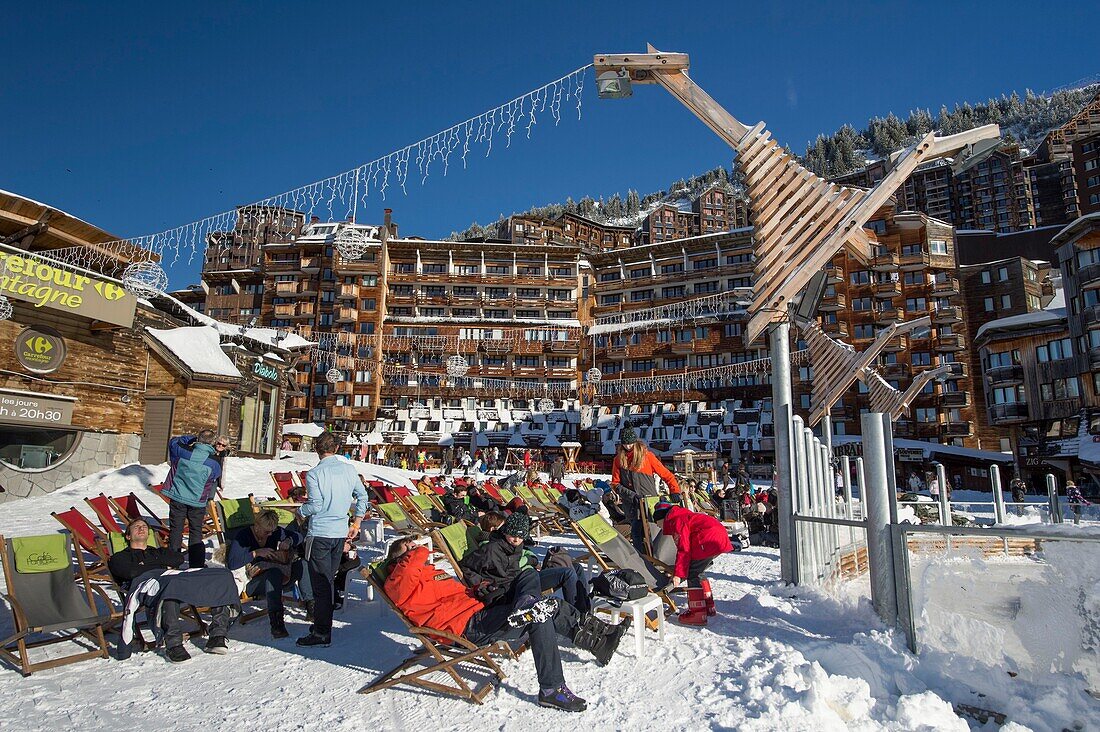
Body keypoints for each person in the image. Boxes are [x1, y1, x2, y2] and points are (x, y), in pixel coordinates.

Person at [386, 537, 625, 712]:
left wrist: (477, 590)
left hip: (480, 611)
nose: (415, 548)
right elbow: (408, 570)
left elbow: (454, 594)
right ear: (399, 559)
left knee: (529, 577)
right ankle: (551, 689)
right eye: (408, 548)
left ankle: (600, 638)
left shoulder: (425, 573)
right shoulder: (398, 581)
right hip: (467, 627)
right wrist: (414, 550)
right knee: (540, 614)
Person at [109, 518, 237, 662]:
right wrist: (159, 563)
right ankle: (173, 644)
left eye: (144, 526)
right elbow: (130, 573)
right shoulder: (120, 557)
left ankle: (218, 635)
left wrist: (149, 562)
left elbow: (178, 559)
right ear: (128, 536)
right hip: (148, 585)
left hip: (173, 579)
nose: (141, 528)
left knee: (223, 575)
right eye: (136, 527)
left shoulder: (158, 551)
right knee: (170, 586)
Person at [296, 431, 369, 648]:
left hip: (320, 532)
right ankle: (322, 623)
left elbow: (316, 505)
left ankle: (321, 632)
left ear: (317, 450)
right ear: (336, 448)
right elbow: (363, 496)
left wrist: (301, 509)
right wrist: (356, 522)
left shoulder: (314, 474)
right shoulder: (348, 469)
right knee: (327, 579)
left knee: (321, 583)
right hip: (339, 532)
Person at [226, 509, 307, 639]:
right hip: (252, 582)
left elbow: (299, 536)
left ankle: (311, 605)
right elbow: (232, 563)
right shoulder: (243, 536)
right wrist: (255, 553)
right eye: (266, 532)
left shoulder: (274, 532)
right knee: (274, 573)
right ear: (257, 526)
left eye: (272, 532)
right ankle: (276, 623)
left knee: (302, 564)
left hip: (275, 579)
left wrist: (288, 541)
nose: (269, 535)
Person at [651, 502, 733, 626]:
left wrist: (678, 574)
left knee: (693, 573)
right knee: (699, 570)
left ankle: (698, 613)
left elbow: (684, 550)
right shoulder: (682, 515)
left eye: (658, 524)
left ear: (662, 518)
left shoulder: (676, 521)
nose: (660, 528)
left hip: (707, 540)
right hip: (717, 538)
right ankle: (708, 605)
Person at [610, 428, 679, 553]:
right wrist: (632, 495)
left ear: (635, 442)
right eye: (625, 443)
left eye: (630, 443)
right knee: (637, 533)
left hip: (650, 503)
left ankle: (660, 557)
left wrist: (674, 490)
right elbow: (615, 484)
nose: (628, 446)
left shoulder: (647, 456)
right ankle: (641, 560)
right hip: (632, 504)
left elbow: (666, 474)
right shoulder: (618, 459)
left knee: (654, 532)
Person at [164, 430, 222, 569]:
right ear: (213, 443)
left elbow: (174, 441)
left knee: (176, 530)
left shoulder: (182, 451)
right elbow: (215, 476)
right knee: (196, 531)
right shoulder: (214, 462)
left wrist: (192, 438)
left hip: (178, 496)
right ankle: (196, 564)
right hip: (197, 501)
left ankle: (173, 563)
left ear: (198, 439)